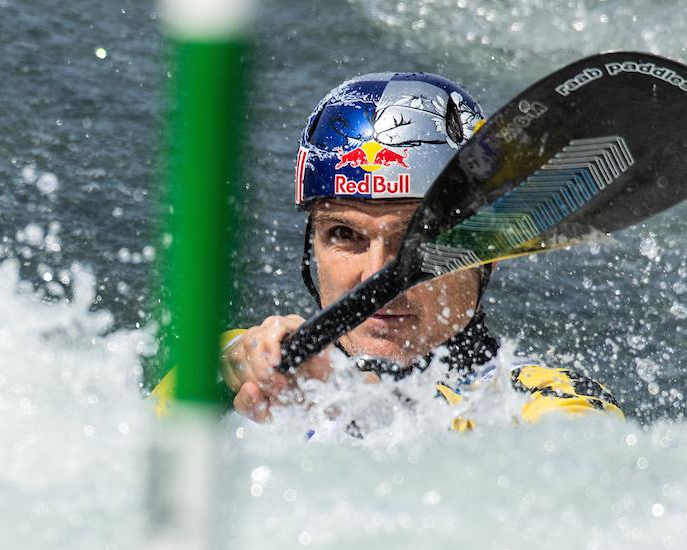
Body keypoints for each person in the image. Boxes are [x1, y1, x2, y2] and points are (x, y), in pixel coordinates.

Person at [153, 72, 622, 428]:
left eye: (412, 242)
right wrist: (235, 365)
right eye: (344, 235)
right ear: (312, 248)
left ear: (487, 252)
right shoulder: (245, 371)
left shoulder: (548, 402)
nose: (376, 277)